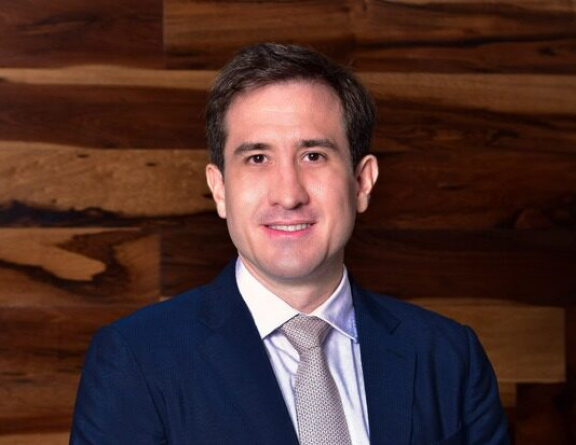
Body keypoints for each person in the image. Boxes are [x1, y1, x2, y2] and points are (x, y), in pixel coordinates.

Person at [70, 43, 509, 445]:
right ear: (219, 189)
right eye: (257, 158)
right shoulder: (136, 359)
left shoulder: (449, 356)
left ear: (362, 182)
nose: (288, 194)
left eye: (313, 156)